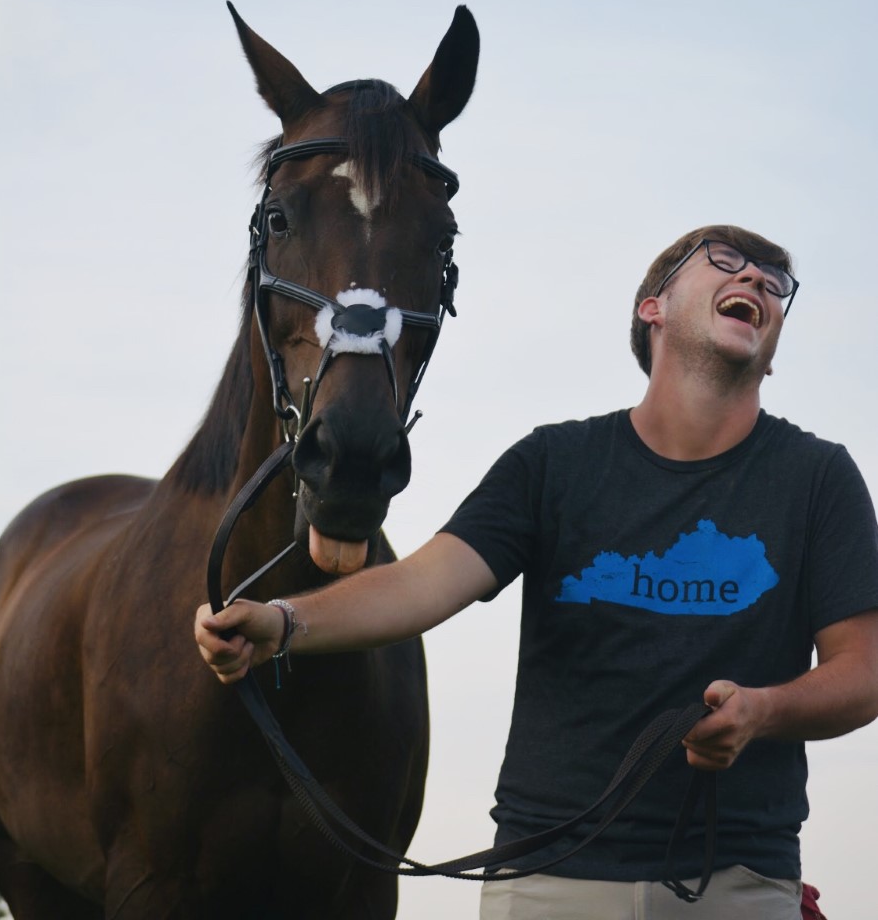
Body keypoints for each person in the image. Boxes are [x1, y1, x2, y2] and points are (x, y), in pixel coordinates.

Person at [196, 225, 878, 919]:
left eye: (774, 282)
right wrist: (285, 622)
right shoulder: (553, 464)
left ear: (772, 350)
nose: (757, 281)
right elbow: (425, 581)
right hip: (547, 882)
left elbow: (864, 672)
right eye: (727, 263)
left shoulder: (819, 478)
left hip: (737, 884)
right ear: (654, 308)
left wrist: (763, 713)